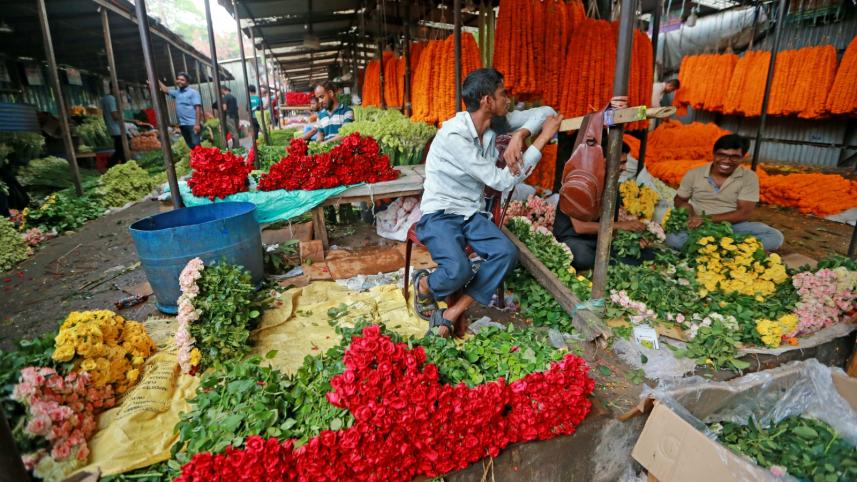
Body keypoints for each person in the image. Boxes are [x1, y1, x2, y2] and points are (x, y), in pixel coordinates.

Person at [412, 68, 562, 338]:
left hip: (471, 213)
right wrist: (540, 139)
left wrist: (521, 134)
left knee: (506, 253)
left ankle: (453, 312)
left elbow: (547, 111)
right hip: (441, 214)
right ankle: (424, 284)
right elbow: (502, 181)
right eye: (503, 93)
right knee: (458, 269)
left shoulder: (495, 124)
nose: (509, 99)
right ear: (486, 101)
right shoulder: (455, 136)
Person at [666, 134, 784, 251]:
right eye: (721, 155)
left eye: (734, 157)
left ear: (743, 157)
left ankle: (710, 248)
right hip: (697, 226)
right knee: (673, 239)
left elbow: (744, 213)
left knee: (774, 236)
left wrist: (706, 219)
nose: (726, 161)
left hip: (733, 226)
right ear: (714, 154)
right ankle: (731, 249)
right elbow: (680, 200)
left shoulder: (749, 177)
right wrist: (690, 213)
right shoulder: (694, 174)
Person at [553, 142, 654, 271]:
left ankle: (611, 262)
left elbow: (612, 229)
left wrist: (632, 239)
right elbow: (580, 227)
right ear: (605, 162)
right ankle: (609, 263)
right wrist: (621, 226)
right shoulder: (579, 184)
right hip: (572, 239)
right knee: (583, 256)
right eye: (621, 163)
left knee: (645, 253)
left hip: (599, 241)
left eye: (625, 162)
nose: (625, 167)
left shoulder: (613, 189)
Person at [158, 72, 202, 149]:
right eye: (178, 79)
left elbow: (198, 108)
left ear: (187, 82)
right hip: (182, 125)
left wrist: (197, 124)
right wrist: (156, 79)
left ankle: (202, 160)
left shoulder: (193, 93)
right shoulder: (177, 92)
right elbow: (166, 90)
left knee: (196, 146)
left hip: (192, 124)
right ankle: (197, 160)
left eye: (182, 80)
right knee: (191, 145)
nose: (179, 81)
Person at [101, 87, 125, 165]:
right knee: (121, 150)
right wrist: (130, 120)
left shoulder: (104, 98)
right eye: (119, 90)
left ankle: (124, 165)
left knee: (120, 149)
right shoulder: (111, 99)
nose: (120, 92)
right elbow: (115, 116)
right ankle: (109, 165)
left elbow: (104, 115)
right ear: (113, 88)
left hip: (112, 128)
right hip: (117, 129)